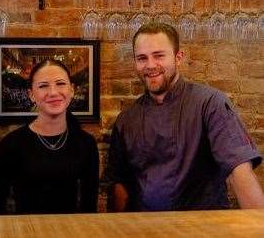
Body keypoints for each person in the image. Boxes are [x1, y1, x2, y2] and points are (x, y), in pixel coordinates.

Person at [106, 22, 264, 211]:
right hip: (145, 227)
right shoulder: (127, 119)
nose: (150, 65)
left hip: (203, 226)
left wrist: (257, 224)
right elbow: (120, 182)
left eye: (159, 56)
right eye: (142, 58)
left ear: (178, 57)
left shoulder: (210, 103)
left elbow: (239, 168)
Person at [0, 59, 99, 214]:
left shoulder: (86, 143)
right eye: (43, 86)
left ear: (72, 90)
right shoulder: (11, 145)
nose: (53, 92)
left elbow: (89, 207)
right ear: (31, 94)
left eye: (60, 84)